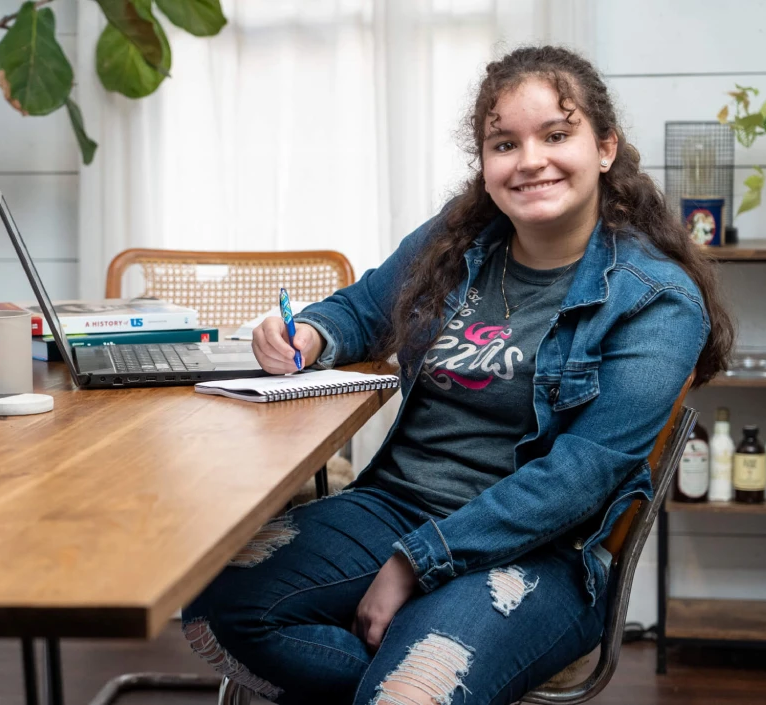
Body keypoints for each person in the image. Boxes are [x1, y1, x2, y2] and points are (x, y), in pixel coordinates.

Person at [181, 45, 733, 705]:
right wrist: (309, 332)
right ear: (485, 163)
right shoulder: (462, 236)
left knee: (413, 692)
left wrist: (419, 558)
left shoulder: (655, 298)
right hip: (392, 504)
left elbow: (580, 476)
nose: (531, 160)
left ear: (605, 147)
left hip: (538, 551)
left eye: (557, 135)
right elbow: (364, 307)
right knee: (214, 609)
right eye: (505, 143)